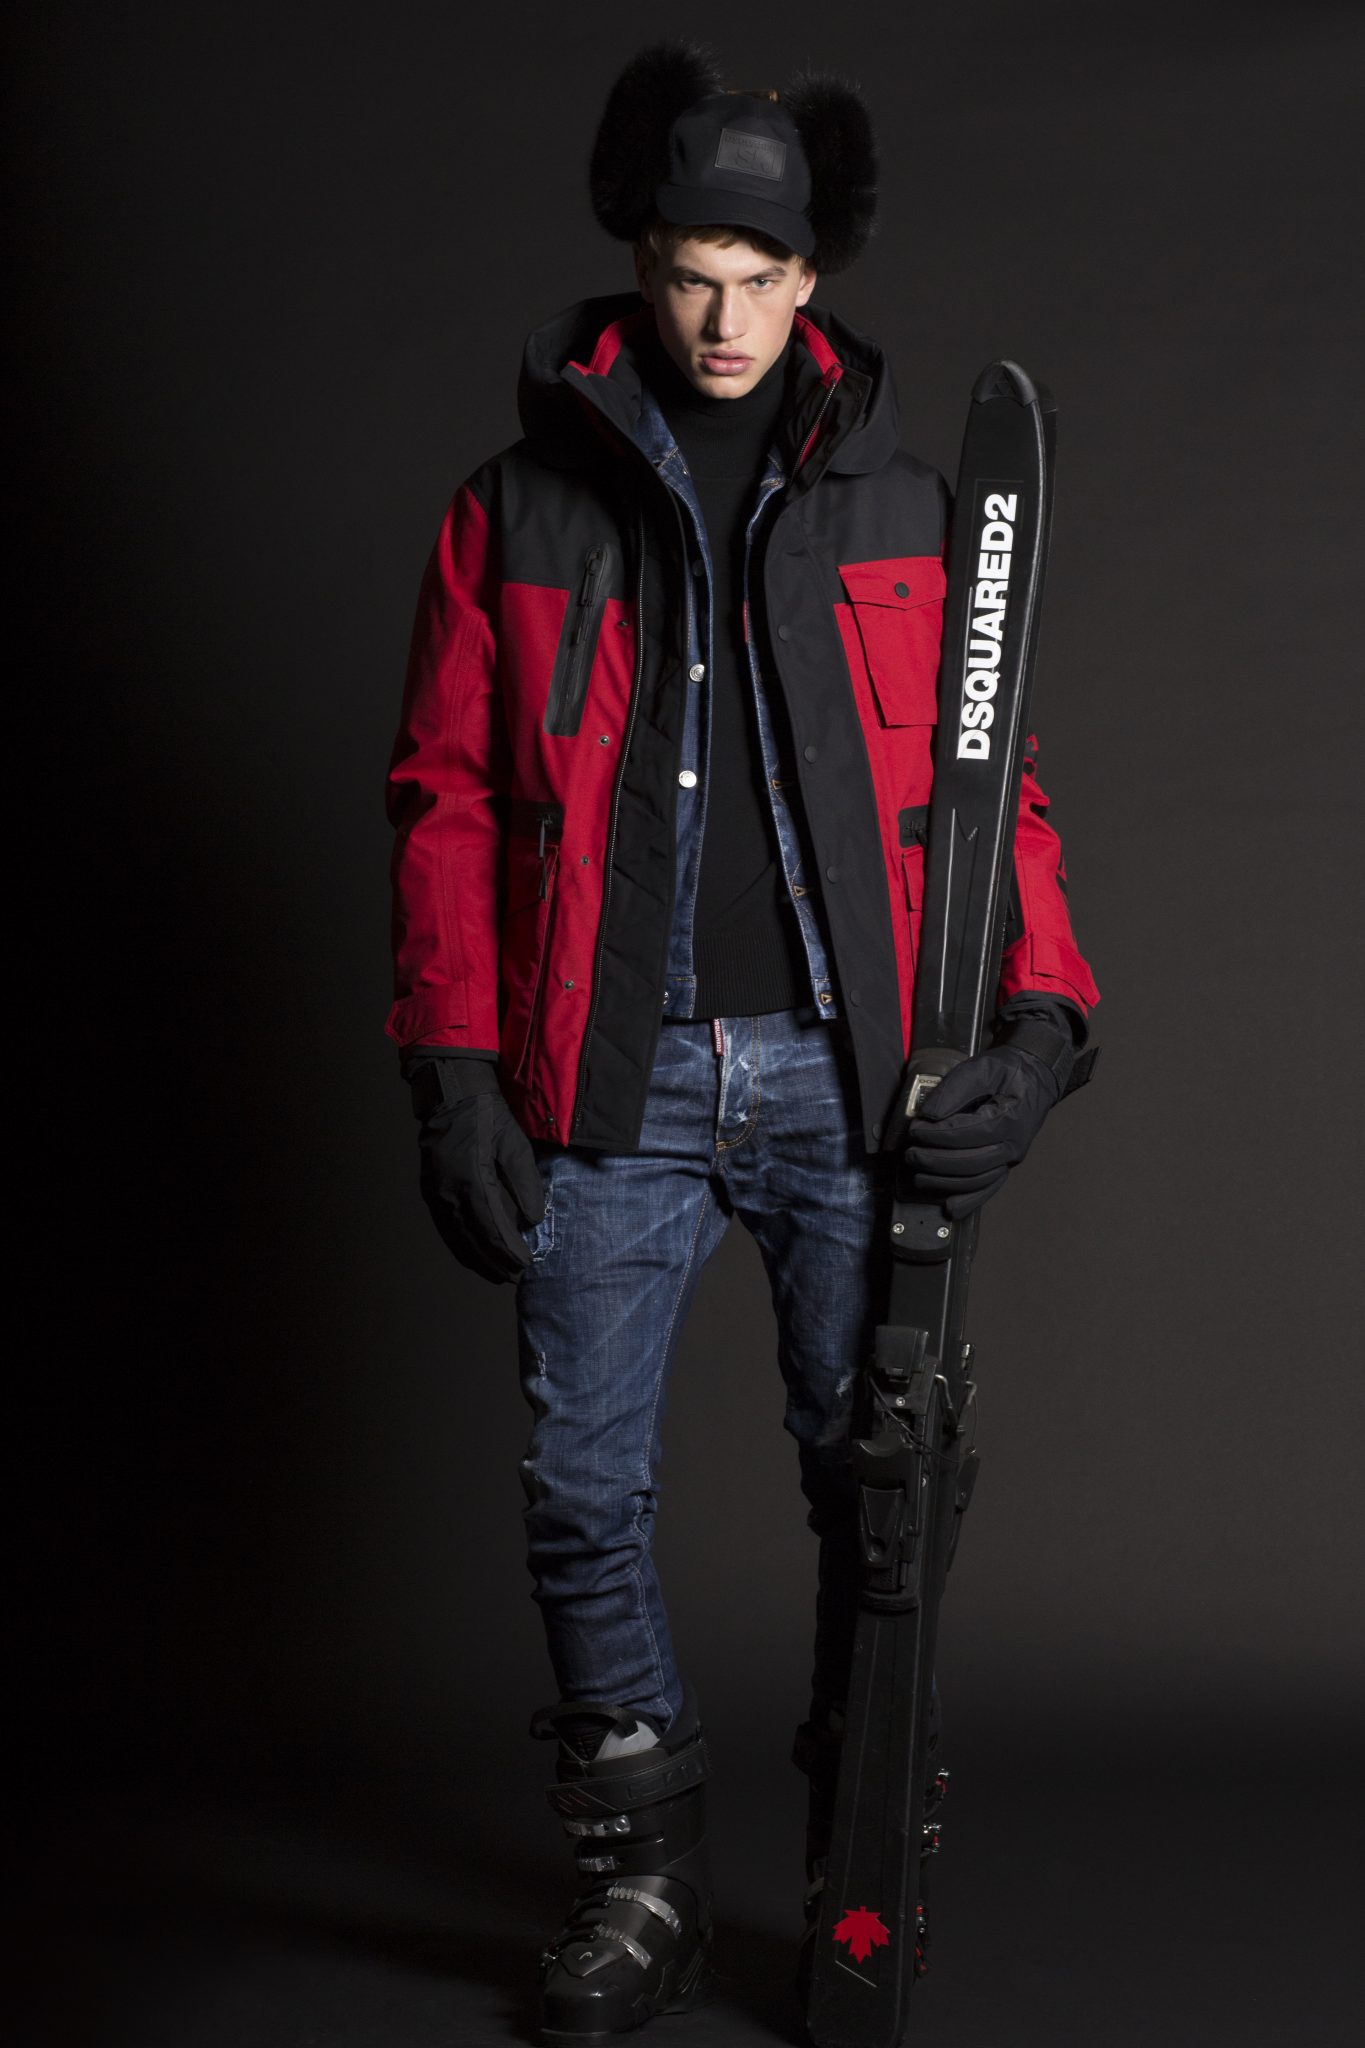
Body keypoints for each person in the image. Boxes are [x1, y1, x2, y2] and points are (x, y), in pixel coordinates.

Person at [384, 38, 1101, 2040]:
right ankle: (640, 1877)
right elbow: (444, 801)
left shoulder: (906, 505)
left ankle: (851, 1850)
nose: (723, 318)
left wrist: (1043, 1021)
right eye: (691, 274)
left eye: (760, 278)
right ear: (640, 258)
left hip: (840, 1078)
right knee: (574, 1489)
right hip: (605, 1084)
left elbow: (988, 792)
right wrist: (451, 1070)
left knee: (872, 1492)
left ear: (811, 276)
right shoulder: (513, 511)